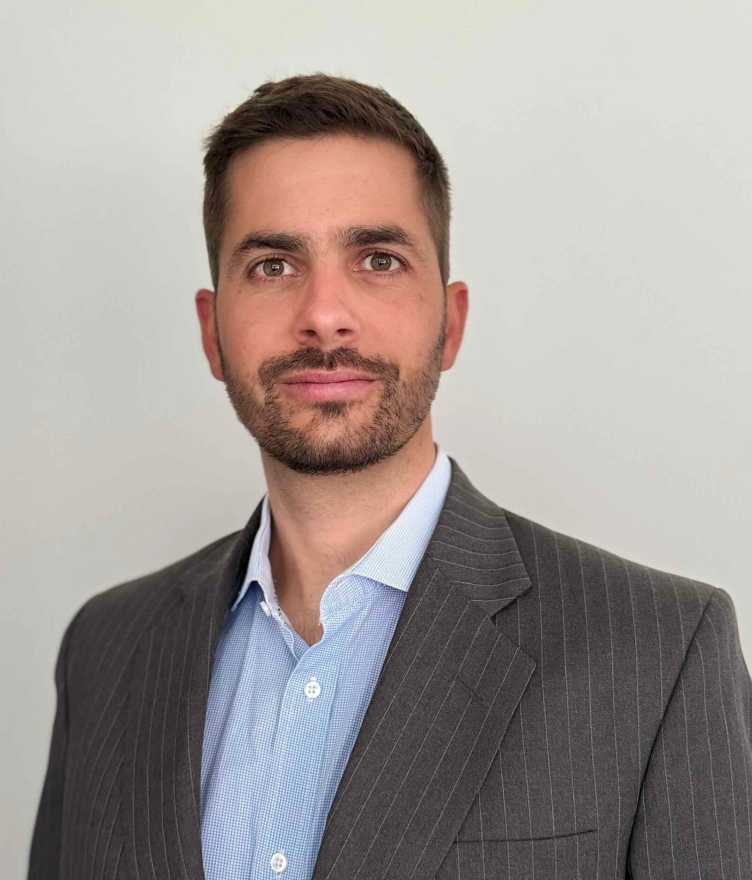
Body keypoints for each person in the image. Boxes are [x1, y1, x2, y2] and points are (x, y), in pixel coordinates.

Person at [29, 72, 752, 880]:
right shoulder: (107, 649)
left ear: (451, 324)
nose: (324, 313)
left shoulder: (658, 650)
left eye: (377, 259)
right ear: (212, 333)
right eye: (272, 264)